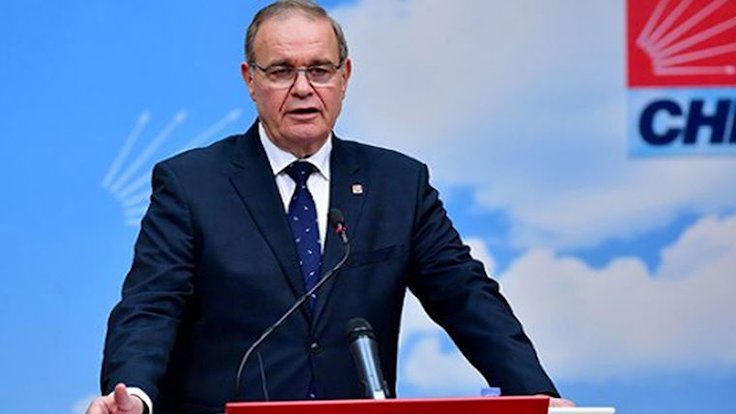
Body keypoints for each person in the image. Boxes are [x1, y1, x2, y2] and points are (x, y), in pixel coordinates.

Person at [88, 1, 574, 413]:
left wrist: (540, 398)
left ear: (345, 76)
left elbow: (467, 298)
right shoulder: (192, 183)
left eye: (319, 70)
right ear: (250, 80)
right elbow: (151, 306)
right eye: (281, 71)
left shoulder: (398, 184)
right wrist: (133, 395)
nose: (303, 88)